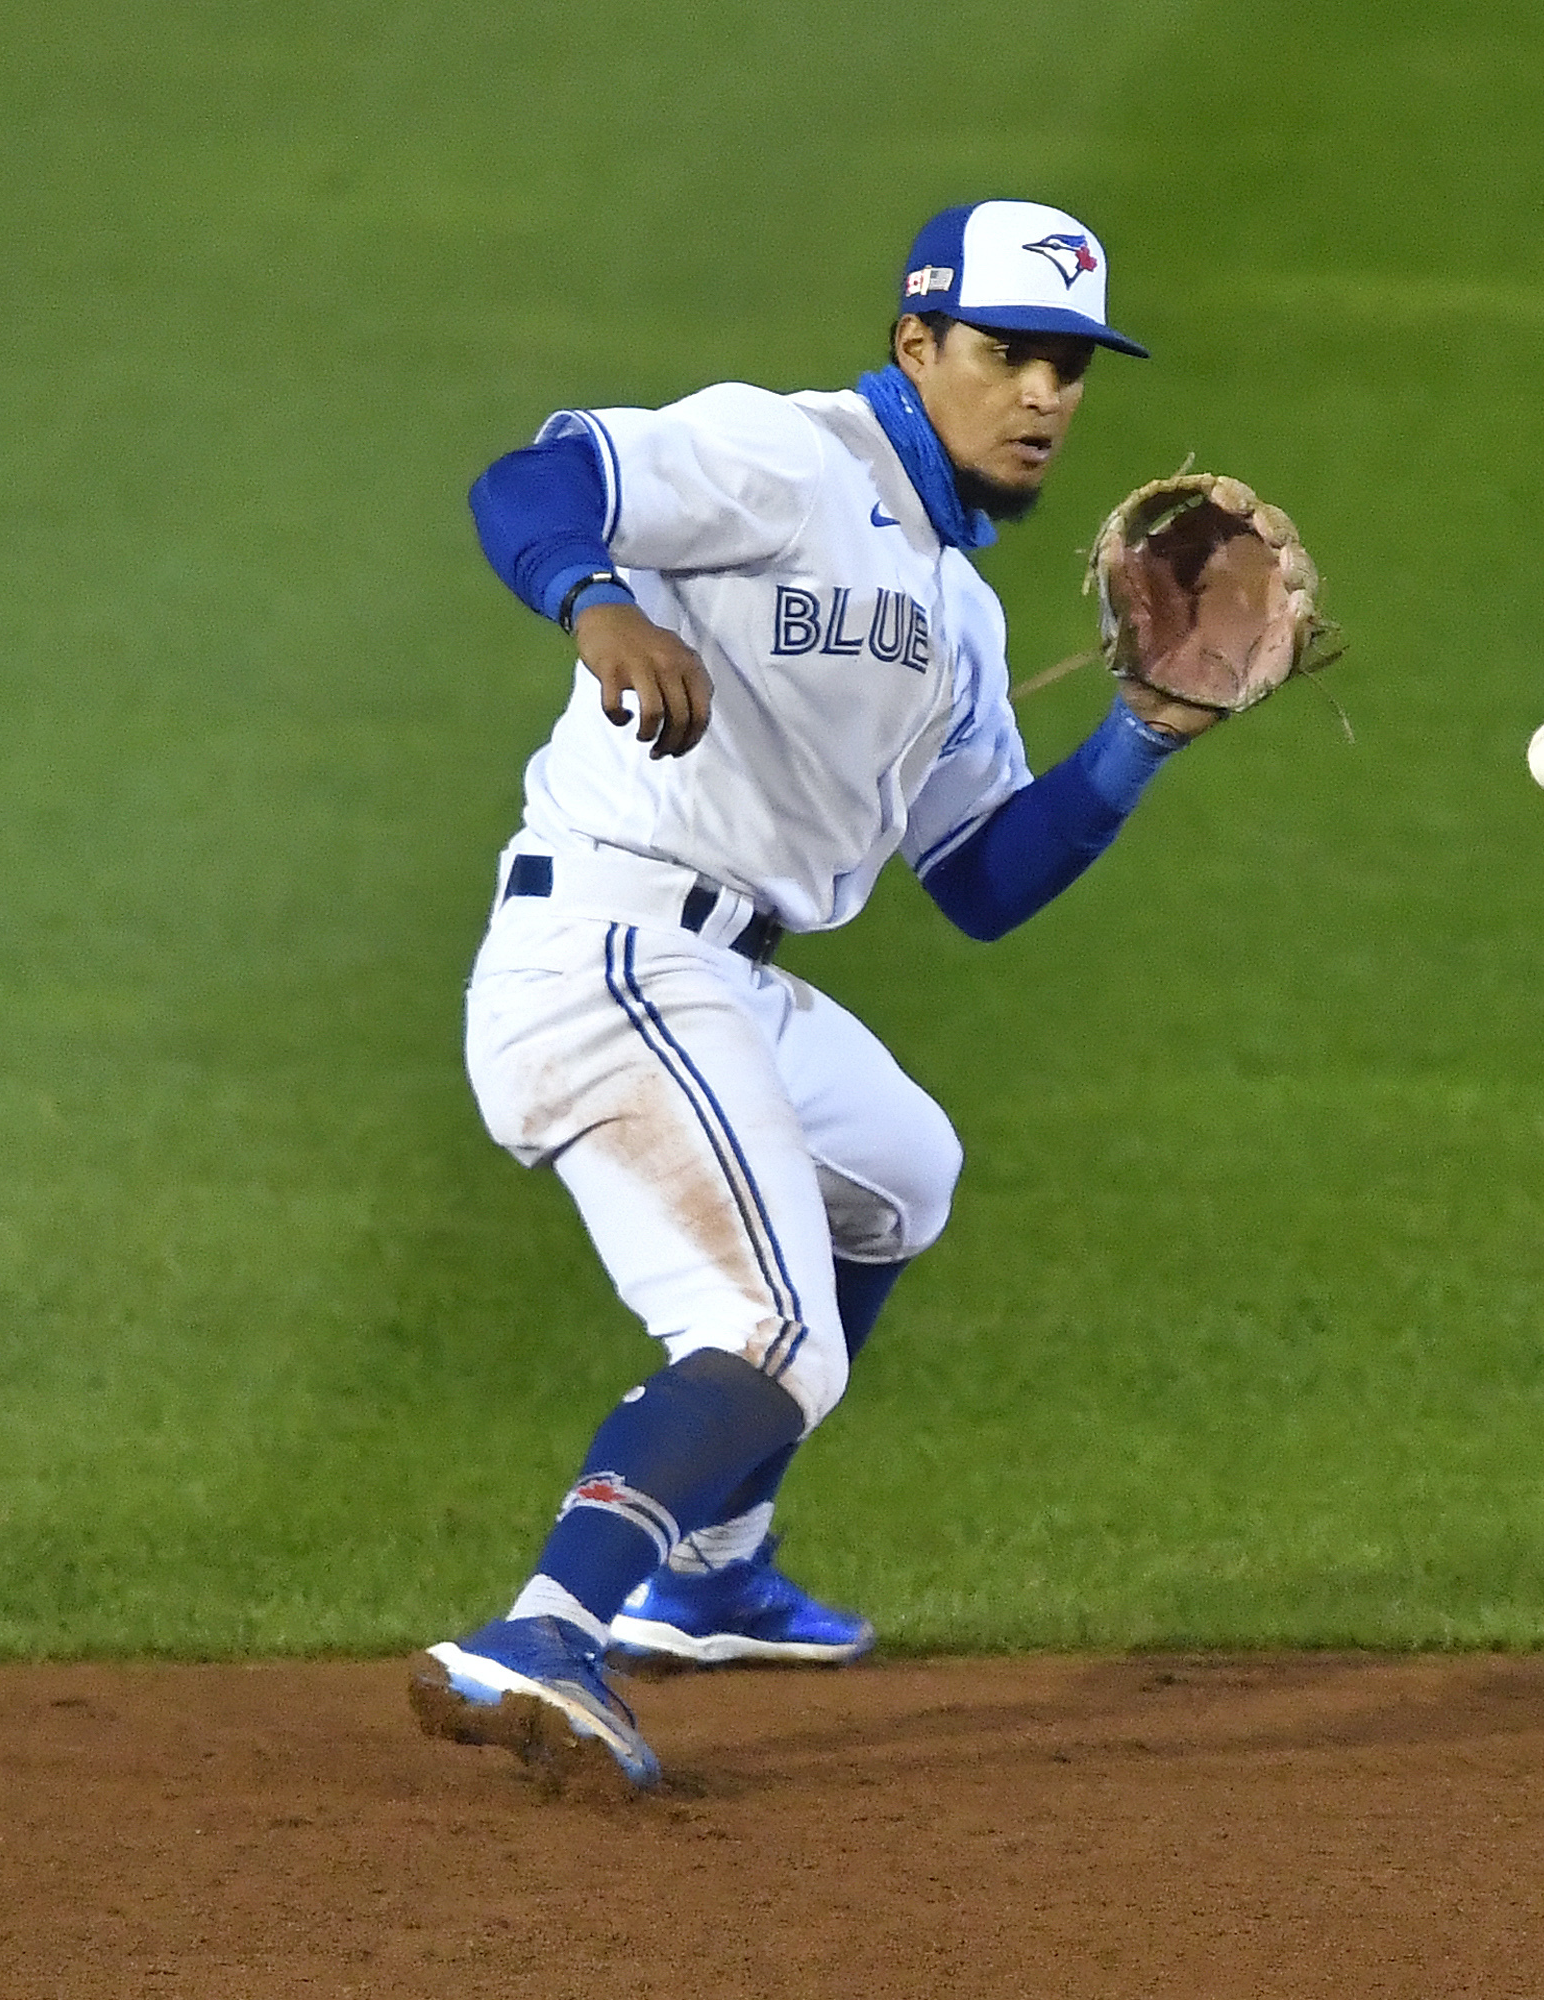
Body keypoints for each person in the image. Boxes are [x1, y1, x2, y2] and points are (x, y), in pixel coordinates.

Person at [409, 200, 1214, 1792]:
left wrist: (1143, 738)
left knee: (905, 1172)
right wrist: (599, 599)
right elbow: (531, 481)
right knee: (771, 1331)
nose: (1046, 395)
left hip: (720, 973)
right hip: (609, 951)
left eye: (1070, 366)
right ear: (919, 347)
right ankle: (547, 1628)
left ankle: (710, 1567)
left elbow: (980, 880)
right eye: (1008, 355)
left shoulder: (963, 617)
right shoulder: (786, 458)